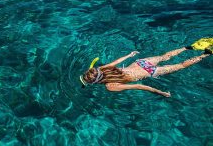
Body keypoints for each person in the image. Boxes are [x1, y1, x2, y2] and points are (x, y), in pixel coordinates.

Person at [80, 46, 212, 97]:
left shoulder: (110, 86)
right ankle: (188, 47)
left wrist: (161, 93)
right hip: (141, 62)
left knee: (181, 65)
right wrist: (130, 55)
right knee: (165, 56)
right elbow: (115, 63)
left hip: (149, 71)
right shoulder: (102, 68)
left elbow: (139, 86)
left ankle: (206, 54)